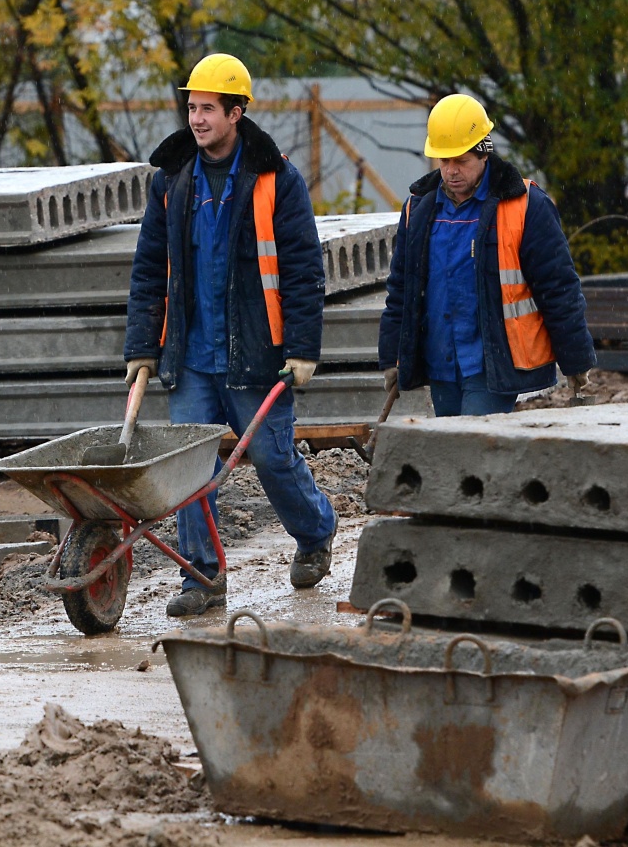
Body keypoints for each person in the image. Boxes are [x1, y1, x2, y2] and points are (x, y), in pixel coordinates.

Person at [124, 53, 336, 617]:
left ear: (237, 112)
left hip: (257, 351)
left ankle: (316, 532)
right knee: (192, 469)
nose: (196, 119)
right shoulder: (172, 180)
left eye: (209, 109)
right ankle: (202, 576)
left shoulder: (276, 179)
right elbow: (150, 267)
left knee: (271, 457)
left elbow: (302, 269)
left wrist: (303, 349)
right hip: (191, 354)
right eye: (192, 107)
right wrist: (143, 345)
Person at [378, 93, 596, 417]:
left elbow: (558, 288)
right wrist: (393, 356)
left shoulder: (524, 206)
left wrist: (577, 361)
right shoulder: (418, 209)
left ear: (484, 153)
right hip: (441, 362)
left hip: (491, 364)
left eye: (461, 161)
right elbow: (401, 290)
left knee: (472, 453)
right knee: (452, 456)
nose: (451, 171)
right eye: (444, 161)